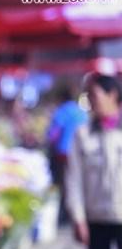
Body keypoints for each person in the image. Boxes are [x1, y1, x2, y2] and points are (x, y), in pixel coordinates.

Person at [65, 73, 122, 249]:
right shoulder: (82, 134)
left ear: (113, 96)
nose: (91, 102)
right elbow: (73, 179)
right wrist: (78, 218)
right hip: (96, 220)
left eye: (95, 96)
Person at [46, 84, 88, 224]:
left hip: (62, 154)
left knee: (62, 184)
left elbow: (53, 134)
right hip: (80, 154)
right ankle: (74, 214)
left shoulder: (62, 111)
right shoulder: (81, 112)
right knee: (76, 183)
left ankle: (62, 214)